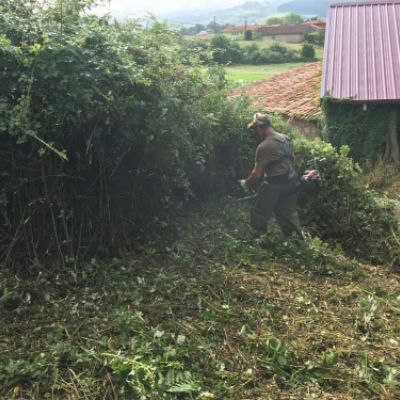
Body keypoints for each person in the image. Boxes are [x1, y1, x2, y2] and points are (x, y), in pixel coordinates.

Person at [239, 113, 302, 238]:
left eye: (254, 130)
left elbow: (257, 175)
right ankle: (298, 244)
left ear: (259, 127)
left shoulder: (264, 146)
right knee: (289, 216)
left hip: (275, 184)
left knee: (260, 213)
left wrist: (246, 184)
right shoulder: (286, 139)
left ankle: (255, 240)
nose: (254, 134)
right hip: (291, 183)